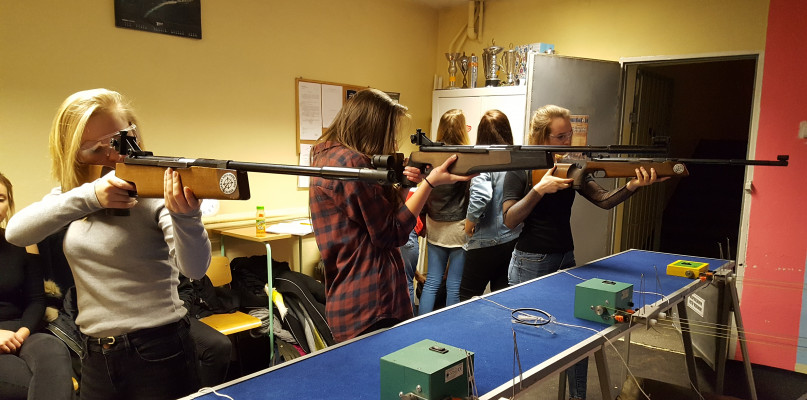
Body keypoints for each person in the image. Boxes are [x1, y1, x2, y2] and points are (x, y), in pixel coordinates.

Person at [6, 89, 211, 400]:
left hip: (158, 349)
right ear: (74, 154)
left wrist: (187, 217)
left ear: (134, 133)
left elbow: (195, 268)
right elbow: (17, 233)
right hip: (95, 351)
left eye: (120, 140)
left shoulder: (152, 192)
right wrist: (91, 196)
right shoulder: (75, 196)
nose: (113, 156)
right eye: (94, 150)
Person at [502, 104, 667, 400]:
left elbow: (604, 200)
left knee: (577, 334)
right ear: (541, 137)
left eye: (570, 135)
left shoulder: (572, 165)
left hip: (566, 257)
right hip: (531, 262)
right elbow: (510, 219)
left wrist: (633, 185)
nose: (569, 142)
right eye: (561, 137)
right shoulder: (521, 166)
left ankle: (577, 396)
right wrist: (539, 189)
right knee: (527, 339)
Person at [308, 88, 473, 342]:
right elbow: (391, 232)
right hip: (372, 303)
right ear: (372, 129)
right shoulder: (352, 163)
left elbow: (377, 215)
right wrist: (429, 184)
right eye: (389, 133)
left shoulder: (327, 156)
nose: (393, 142)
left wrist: (406, 185)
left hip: (351, 299)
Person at [0, 172, 74, 400]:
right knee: (50, 385)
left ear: (9, 204)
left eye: (1, 199)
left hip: (22, 332)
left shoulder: (23, 242)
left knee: (53, 350)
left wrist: (22, 333)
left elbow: (36, 300)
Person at [459, 110, 522, 301]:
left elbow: (481, 194)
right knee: (501, 298)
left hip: (485, 242)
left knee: (466, 299)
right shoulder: (515, 158)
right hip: (512, 238)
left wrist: (469, 223)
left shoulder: (484, 159)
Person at [417, 109, 471, 315]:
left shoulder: (430, 155)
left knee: (432, 281)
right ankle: (451, 328)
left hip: (435, 224)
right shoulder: (466, 157)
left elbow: (425, 190)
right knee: (454, 285)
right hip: (458, 227)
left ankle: (421, 325)